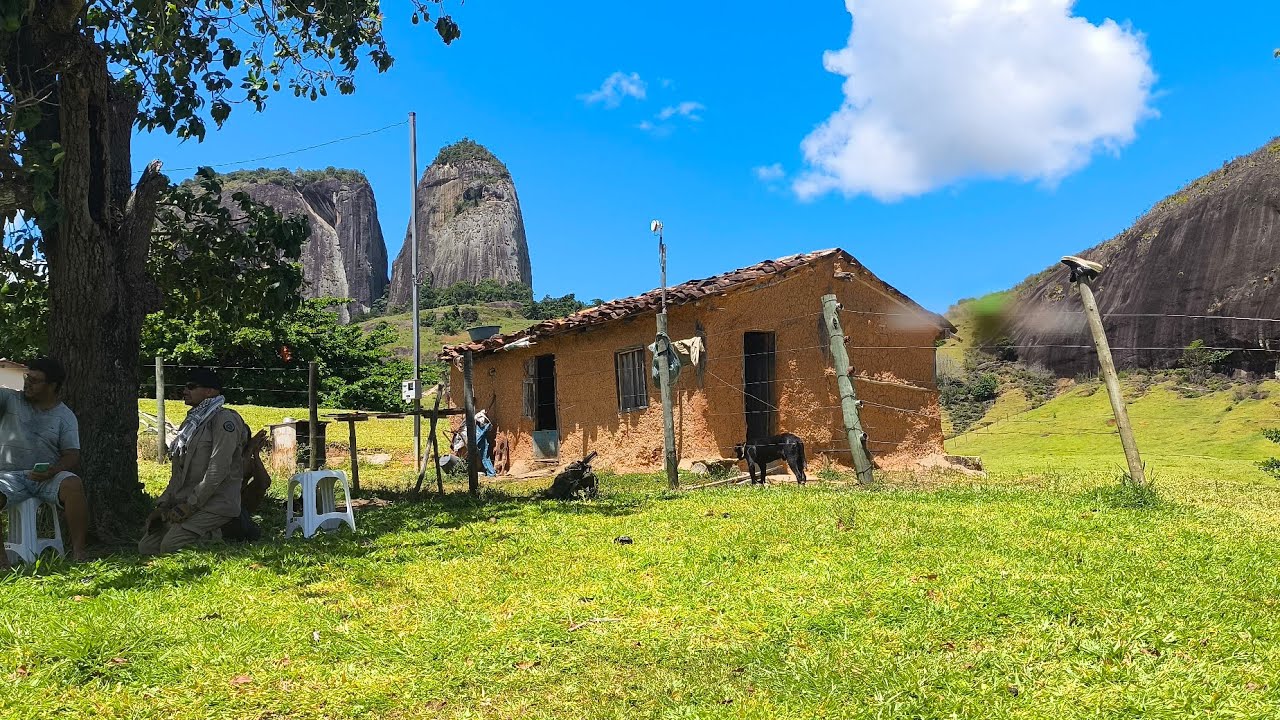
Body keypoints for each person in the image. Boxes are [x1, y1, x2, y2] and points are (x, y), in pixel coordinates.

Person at [139, 368, 248, 556]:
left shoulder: (224, 420)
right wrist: (164, 504)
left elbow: (218, 469)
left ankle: (225, 533)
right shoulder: (191, 424)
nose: (185, 391)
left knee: (170, 547)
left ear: (210, 392)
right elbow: (178, 474)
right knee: (147, 547)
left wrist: (190, 506)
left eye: (191, 386)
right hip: (186, 501)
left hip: (215, 503)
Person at [0, 357, 89, 567]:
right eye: (27, 377)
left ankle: (79, 552)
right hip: (7, 476)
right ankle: (3, 562)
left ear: (53, 386)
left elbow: (71, 454)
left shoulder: (64, 416)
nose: (27, 383)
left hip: (45, 477)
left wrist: (53, 470)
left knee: (73, 484)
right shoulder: (10, 399)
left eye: (35, 380)